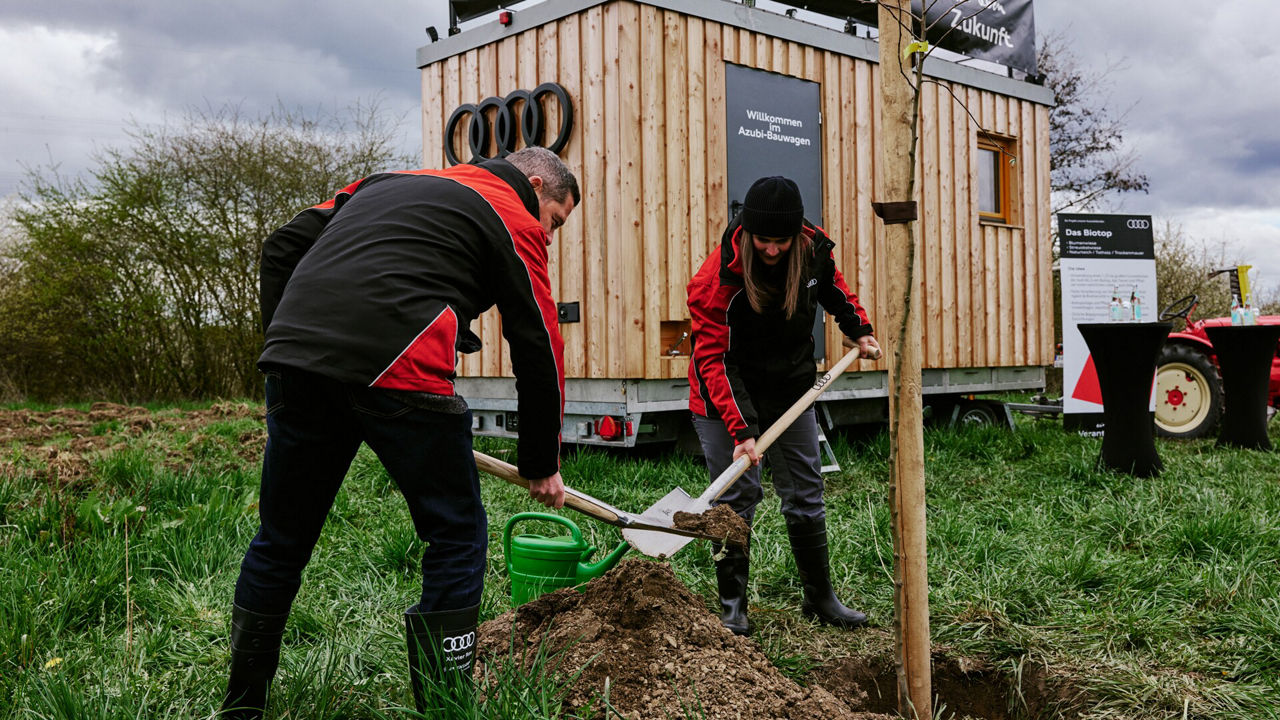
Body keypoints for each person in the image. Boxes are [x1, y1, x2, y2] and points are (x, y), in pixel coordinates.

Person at [218, 146, 579, 719]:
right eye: (555, 220)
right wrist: (541, 459)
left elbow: (281, 247)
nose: (551, 236)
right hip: (399, 372)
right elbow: (538, 343)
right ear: (536, 185)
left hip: (296, 364)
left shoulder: (384, 181)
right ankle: (445, 707)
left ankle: (241, 709)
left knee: (281, 542)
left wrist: (289, 346)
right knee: (456, 538)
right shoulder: (509, 210)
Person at [686, 175, 880, 636]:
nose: (772, 250)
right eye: (763, 240)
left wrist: (858, 326)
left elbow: (833, 288)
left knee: (805, 493)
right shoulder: (718, 280)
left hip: (791, 390)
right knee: (736, 497)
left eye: (781, 241)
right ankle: (733, 606)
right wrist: (742, 430)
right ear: (748, 232)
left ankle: (820, 597)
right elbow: (712, 359)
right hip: (724, 397)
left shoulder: (813, 251)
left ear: (797, 235)